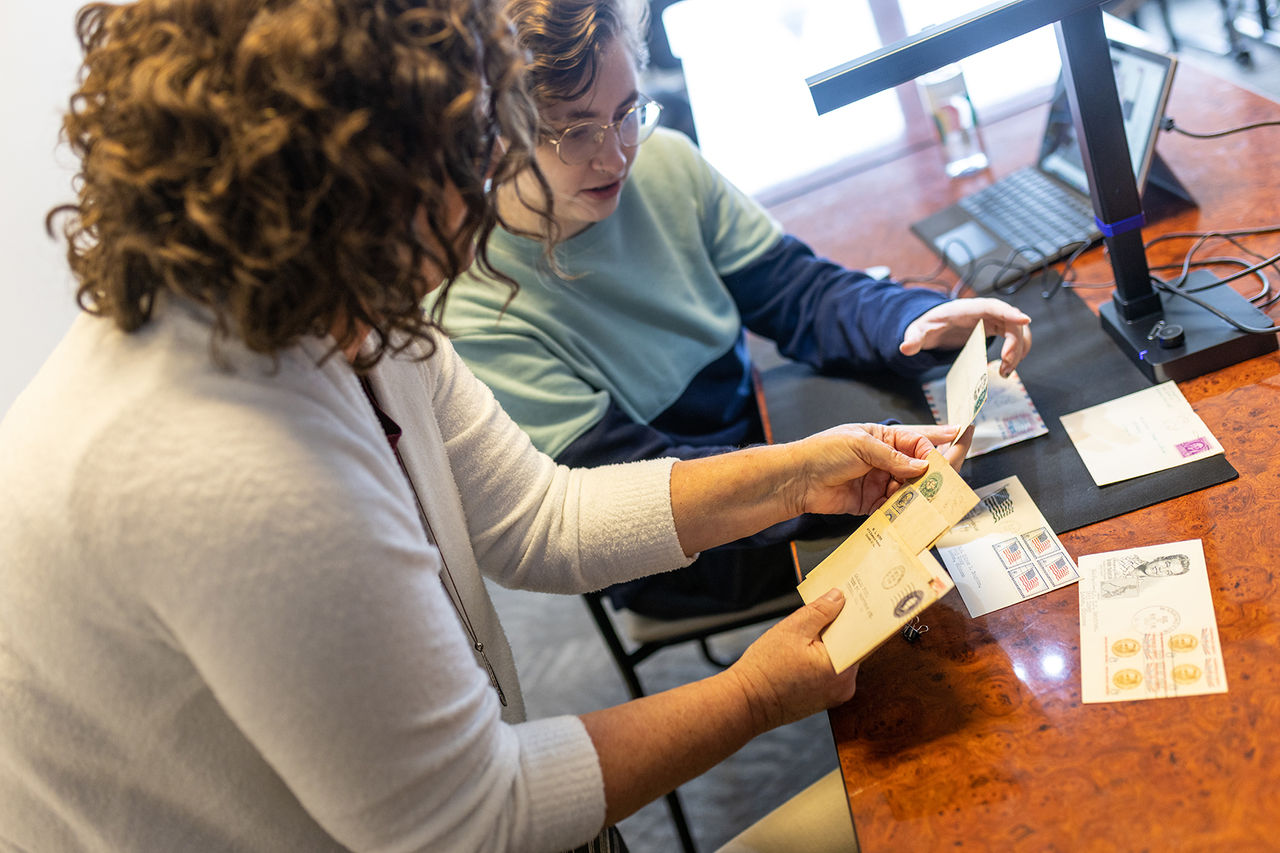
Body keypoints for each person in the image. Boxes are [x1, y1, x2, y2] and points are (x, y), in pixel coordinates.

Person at [0, 1, 966, 850]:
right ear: (333, 174)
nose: (485, 185)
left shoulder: (332, 298)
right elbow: (475, 821)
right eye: (466, 150)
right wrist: (753, 694)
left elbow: (541, 516)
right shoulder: (223, 467)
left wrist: (797, 474)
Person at [431, 0, 1033, 620]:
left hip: (761, 437)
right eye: (576, 131)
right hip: (674, 538)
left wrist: (910, 319)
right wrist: (804, 479)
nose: (615, 156)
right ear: (500, 132)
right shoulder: (472, 306)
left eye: (626, 113)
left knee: (950, 467)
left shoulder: (664, 162)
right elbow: (621, 492)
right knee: (949, 532)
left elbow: (796, 291)